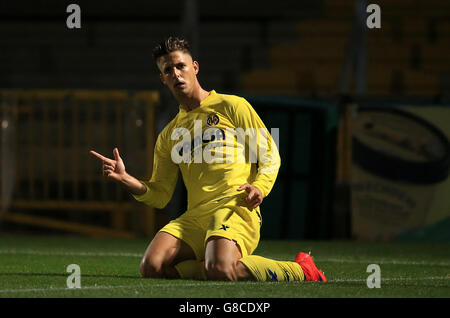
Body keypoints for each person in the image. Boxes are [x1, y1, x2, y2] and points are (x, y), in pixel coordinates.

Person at [90, 36, 326, 282]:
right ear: (163, 79)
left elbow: (269, 156)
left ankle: (301, 270)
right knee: (152, 268)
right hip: (195, 217)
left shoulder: (232, 106)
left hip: (234, 206)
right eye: (168, 70)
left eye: (181, 66)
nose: (176, 74)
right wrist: (127, 179)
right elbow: (160, 195)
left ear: (195, 67)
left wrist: (260, 187)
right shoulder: (169, 134)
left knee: (221, 270)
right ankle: (212, 260)